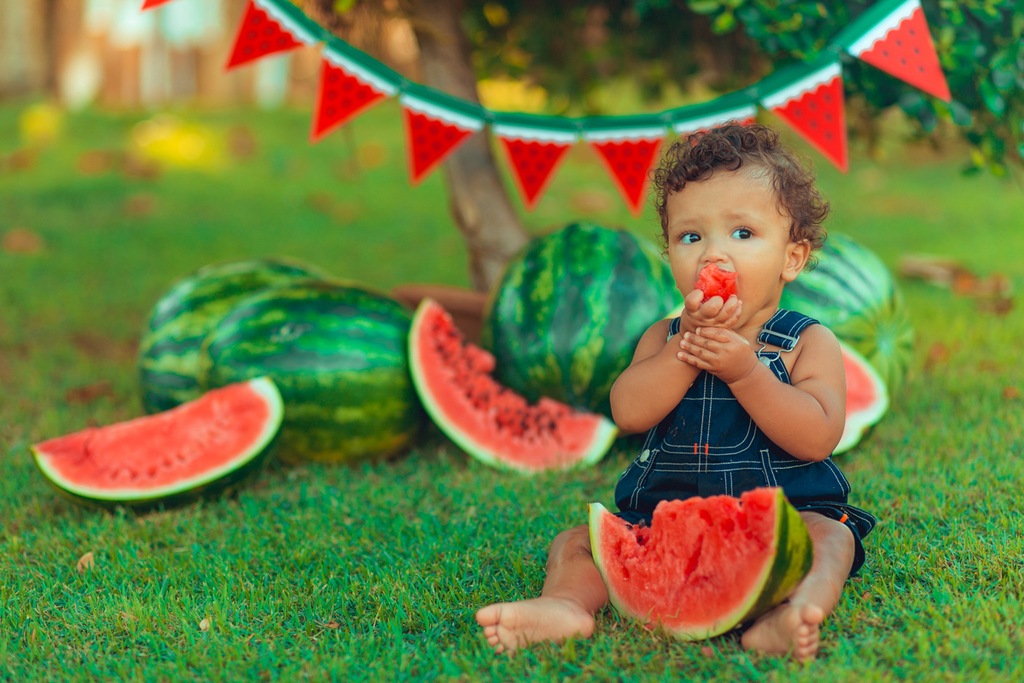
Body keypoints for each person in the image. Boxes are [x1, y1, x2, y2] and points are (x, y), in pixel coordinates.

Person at [475, 123, 876, 663]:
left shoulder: (806, 342)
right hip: (665, 523)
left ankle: (794, 610)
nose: (714, 255)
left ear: (792, 258)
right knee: (575, 542)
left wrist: (747, 373)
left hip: (782, 521)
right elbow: (628, 411)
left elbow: (817, 437)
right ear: (669, 254)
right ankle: (566, 606)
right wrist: (683, 349)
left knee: (833, 537)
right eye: (692, 237)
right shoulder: (663, 338)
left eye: (742, 234)